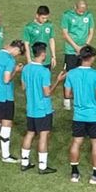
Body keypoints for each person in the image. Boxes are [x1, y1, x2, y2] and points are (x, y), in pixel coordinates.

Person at [63, 45, 96, 184]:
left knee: (76, 142)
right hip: (94, 115)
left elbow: (67, 94)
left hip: (78, 115)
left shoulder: (71, 73)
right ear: (92, 57)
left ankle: (74, 173)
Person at [20, 43, 66, 175]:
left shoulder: (26, 68)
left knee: (30, 133)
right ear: (43, 54)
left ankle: (24, 162)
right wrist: (58, 81)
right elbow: (47, 93)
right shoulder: (44, 71)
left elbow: (23, 87)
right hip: (43, 109)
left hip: (31, 108)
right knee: (43, 136)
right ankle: (42, 166)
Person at [0, 40, 26, 164]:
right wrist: (16, 70)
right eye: (18, 53)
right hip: (5, 96)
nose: (16, 55)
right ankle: (6, 155)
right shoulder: (10, 60)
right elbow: (6, 79)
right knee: (7, 123)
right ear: (16, 49)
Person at [61, 0, 95, 110]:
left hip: (83, 49)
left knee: (83, 73)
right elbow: (65, 34)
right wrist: (76, 47)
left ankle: (80, 98)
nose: (82, 12)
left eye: (83, 10)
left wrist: (85, 46)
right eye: (80, 10)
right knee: (69, 73)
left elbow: (91, 31)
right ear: (75, 7)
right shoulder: (67, 15)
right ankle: (67, 100)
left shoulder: (89, 16)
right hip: (71, 50)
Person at [22, 5, 56, 69]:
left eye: (46, 18)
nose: (45, 20)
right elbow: (26, 44)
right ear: (37, 15)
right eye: (43, 18)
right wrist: (29, 59)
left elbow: (51, 40)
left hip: (47, 59)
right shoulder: (29, 27)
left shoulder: (49, 25)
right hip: (34, 59)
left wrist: (53, 56)